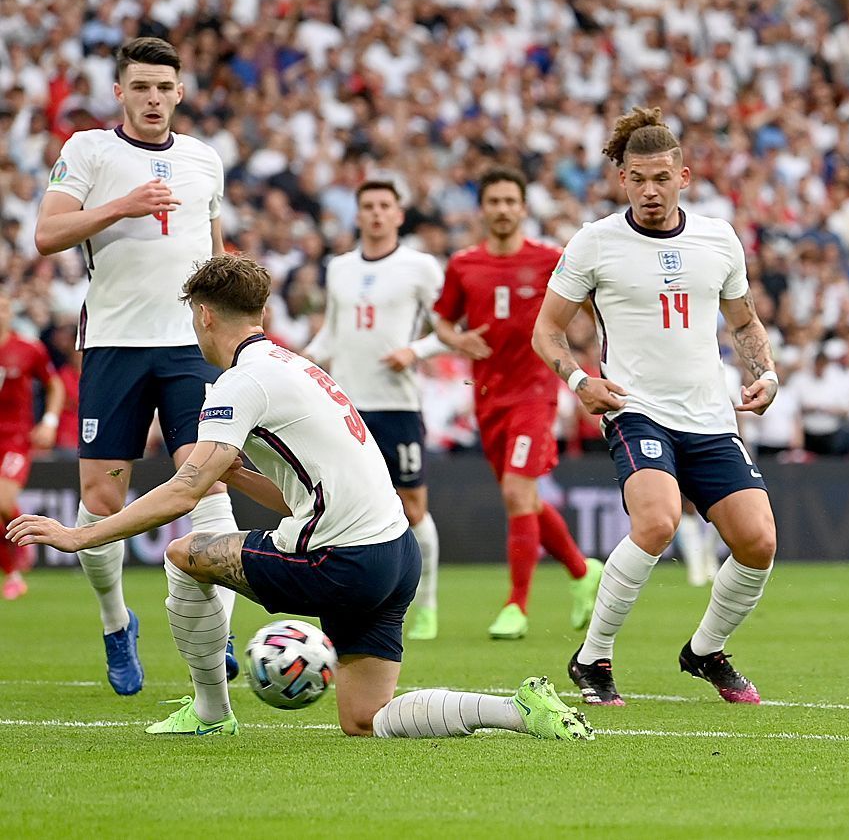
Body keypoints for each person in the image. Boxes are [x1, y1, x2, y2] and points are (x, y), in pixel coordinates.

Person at [7, 255, 592, 741]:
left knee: (185, 553)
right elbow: (301, 496)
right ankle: (517, 712)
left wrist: (78, 536)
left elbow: (186, 489)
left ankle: (210, 713)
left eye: (193, 316)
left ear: (204, 316)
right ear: (260, 313)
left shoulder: (241, 381)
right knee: (366, 721)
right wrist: (237, 477)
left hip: (340, 563)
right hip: (393, 554)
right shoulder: (294, 365)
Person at [534, 107, 780, 706]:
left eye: (661, 178)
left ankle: (704, 651)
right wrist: (578, 381)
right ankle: (592, 659)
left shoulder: (718, 238)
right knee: (657, 521)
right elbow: (547, 331)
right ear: (622, 179)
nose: (650, 190)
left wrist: (767, 373)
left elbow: (743, 319)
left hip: (709, 415)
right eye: (638, 179)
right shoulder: (595, 242)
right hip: (635, 409)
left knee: (758, 542)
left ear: (684, 176)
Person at [33, 37, 242, 695]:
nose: (153, 99)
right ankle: (115, 623)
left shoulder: (204, 159)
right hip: (115, 346)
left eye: (164, 87)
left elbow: (216, 254)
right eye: (141, 87)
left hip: (191, 348)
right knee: (101, 501)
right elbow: (46, 235)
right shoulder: (89, 150)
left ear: (180, 92)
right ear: (120, 92)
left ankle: (216, 629)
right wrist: (122, 206)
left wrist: (240, 328)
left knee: (209, 485)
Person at [432, 167, 601, 639]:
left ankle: (516, 606)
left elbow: (592, 306)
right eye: (495, 201)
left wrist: (589, 358)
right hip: (487, 396)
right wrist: (458, 339)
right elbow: (443, 321)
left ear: (524, 207)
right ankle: (583, 572)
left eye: (511, 200)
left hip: (536, 391)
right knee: (521, 495)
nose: (503, 209)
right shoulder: (464, 264)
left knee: (514, 493)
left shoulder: (552, 258)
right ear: (482, 209)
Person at [304, 180, 449, 641]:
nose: (376, 214)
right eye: (367, 206)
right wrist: (302, 357)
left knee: (413, 506)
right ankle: (347, 606)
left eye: (385, 206)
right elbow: (332, 331)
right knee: (342, 503)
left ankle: (425, 604)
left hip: (398, 404)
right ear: (358, 213)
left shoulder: (420, 267)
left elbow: (450, 328)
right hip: (347, 406)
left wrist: (415, 351)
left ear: (399, 215)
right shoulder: (340, 268)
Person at [0, 289, 65, 600]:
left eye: (2, 308)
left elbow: (55, 386)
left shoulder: (28, 349)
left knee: (2, 501)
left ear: (10, 313)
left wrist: (50, 421)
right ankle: (12, 574)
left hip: (14, 438)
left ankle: (24, 542)